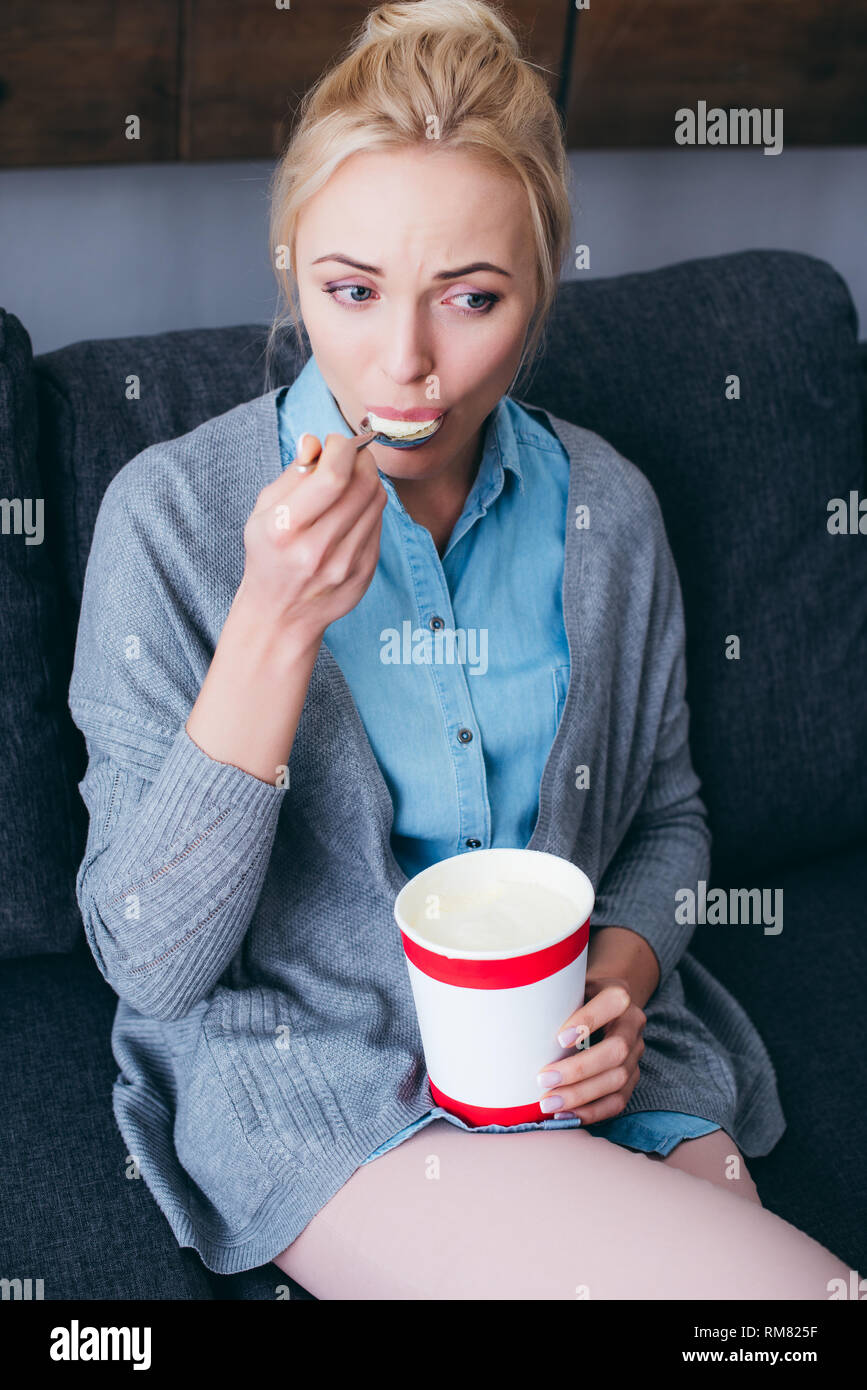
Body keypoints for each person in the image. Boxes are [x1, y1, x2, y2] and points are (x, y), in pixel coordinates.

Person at [70, 0, 850, 1298]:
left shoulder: (607, 510)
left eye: (471, 298)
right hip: (320, 1081)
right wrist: (271, 626)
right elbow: (151, 960)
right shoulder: (176, 517)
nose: (406, 365)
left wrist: (623, 975)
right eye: (352, 291)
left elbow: (667, 816)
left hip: (583, 1071)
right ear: (293, 268)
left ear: (540, 288)